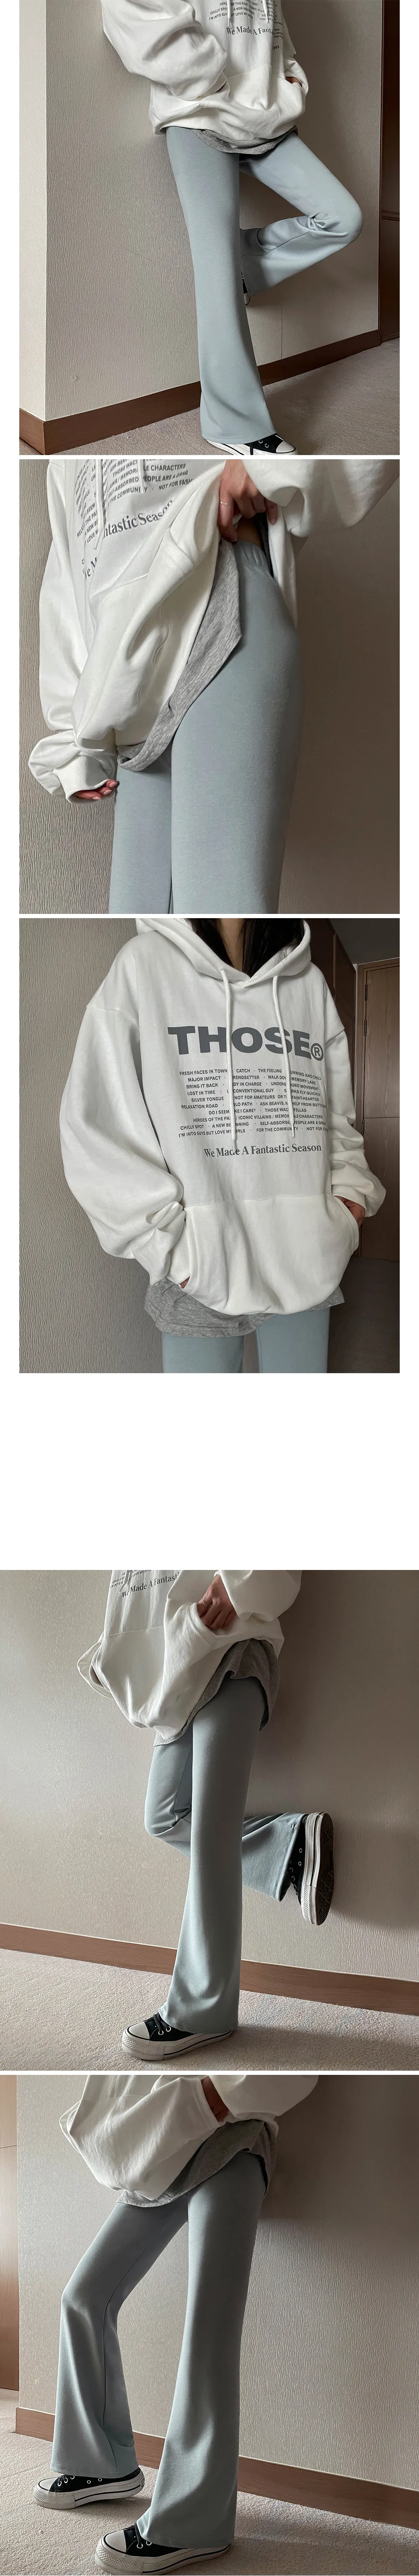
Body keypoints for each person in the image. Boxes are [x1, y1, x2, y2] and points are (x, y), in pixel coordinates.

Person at [29, 454, 398, 914]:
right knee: (148, 932)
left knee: (221, 917)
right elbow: (67, 588)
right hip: (130, 694)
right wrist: (75, 746)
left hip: (222, 609)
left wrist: (265, 467)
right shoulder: (63, 466)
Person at [59, 914, 385, 1377]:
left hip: (310, 1250)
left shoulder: (308, 982)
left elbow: (332, 1112)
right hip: (199, 1264)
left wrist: (349, 1198)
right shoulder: (145, 964)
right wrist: (168, 1247)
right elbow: (96, 1121)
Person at [34, 2067, 318, 2569]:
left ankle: (193, 2521)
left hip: (230, 2141)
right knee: (83, 2297)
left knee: (209, 2330)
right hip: (159, 2156)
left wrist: (212, 2100)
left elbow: (299, 2076)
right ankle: (101, 2464)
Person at [78, 1565, 333, 2056]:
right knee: (163, 1817)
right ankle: (289, 1847)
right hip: (177, 1673)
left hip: (227, 1651)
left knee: (213, 1834)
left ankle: (203, 2010)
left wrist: (240, 1586)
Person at [101, 0, 363, 454]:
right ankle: (233, 425)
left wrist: (288, 82)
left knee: (344, 217)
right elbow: (130, 14)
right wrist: (211, 79)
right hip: (201, 115)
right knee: (215, 276)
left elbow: (275, 36)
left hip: (267, 120)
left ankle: (235, 267)